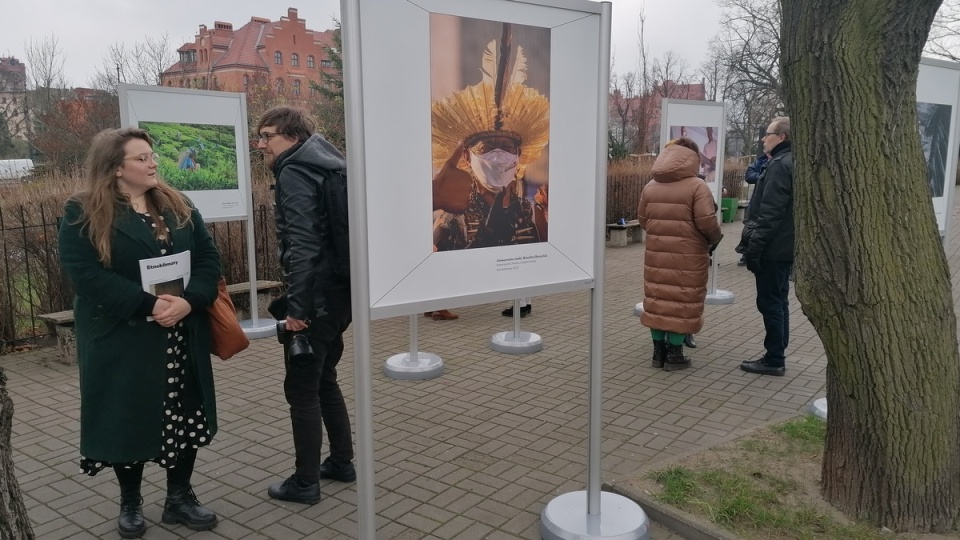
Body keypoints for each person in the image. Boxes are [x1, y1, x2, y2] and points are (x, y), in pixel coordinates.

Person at [58, 128, 222, 538]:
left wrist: (190, 301)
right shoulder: (83, 211)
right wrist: (149, 305)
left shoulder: (177, 203)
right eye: (142, 158)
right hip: (123, 335)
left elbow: (207, 258)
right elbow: (87, 277)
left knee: (184, 411)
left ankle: (179, 498)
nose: (153, 163)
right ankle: (130, 501)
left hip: (181, 329)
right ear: (115, 169)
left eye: (152, 156)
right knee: (127, 416)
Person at [256, 106, 356, 505]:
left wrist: (297, 310)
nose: (261, 144)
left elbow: (304, 245)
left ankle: (305, 482)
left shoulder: (295, 171)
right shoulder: (331, 166)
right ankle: (342, 462)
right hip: (341, 291)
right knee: (325, 378)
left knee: (301, 389)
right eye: (259, 137)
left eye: (268, 136)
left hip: (315, 298)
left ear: (293, 138)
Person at [431, 23, 550, 251]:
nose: (499, 156)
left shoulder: (533, 214)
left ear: (518, 155)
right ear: (467, 156)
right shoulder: (451, 219)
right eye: (487, 147)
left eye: (507, 146)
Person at [637, 137, 722, 371]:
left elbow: (643, 220)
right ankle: (674, 355)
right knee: (681, 302)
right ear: (692, 158)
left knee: (658, 301)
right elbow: (707, 222)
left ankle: (658, 354)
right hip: (688, 256)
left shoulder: (650, 186)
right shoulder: (697, 186)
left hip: (657, 256)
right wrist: (715, 238)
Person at [738, 117, 794, 377]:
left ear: (781, 137)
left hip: (774, 248)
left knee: (770, 302)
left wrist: (754, 248)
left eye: (767, 133)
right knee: (778, 300)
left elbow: (770, 213)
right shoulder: (786, 162)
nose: (763, 138)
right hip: (782, 246)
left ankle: (774, 358)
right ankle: (777, 351)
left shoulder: (781, 165)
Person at [737, 149, 770, 266]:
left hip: (768, 202)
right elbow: (749, 175)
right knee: (749, 228)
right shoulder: (760, 161)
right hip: (756, 203)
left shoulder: (778, 162)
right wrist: (763, 176)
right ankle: (745, 253)